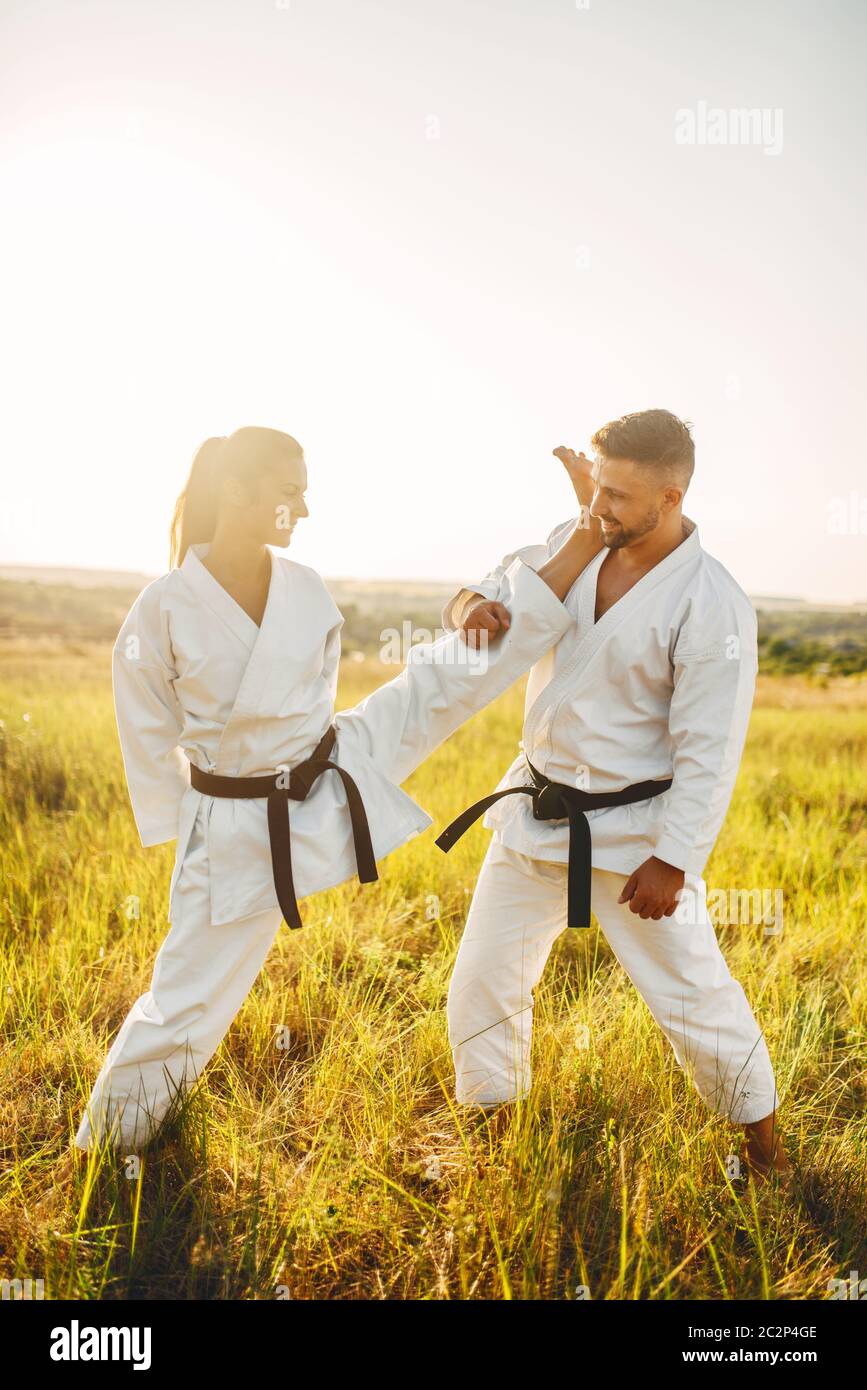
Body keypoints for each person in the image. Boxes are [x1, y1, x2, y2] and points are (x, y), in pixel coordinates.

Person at [73, 425, 598, 1152]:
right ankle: (103, 1149)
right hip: (239, 816)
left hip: (331, 759)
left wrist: (470, 609)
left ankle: (585, 531)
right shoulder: (162, 608)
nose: (304, 512)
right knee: (187, 1004)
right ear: (235, 492)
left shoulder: (303, 586)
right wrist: (186, 833)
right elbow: (147, 735)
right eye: (291, 494)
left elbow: (323, 699)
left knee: (447, 676)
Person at [440, 409, 790, 1185]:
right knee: (481, 986)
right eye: (594, 485)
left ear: (669, 498)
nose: (598, 506)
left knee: (692, 1000)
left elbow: (710, 749)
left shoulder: (710, 601)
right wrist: (472, 611)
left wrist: (676, 859)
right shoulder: (575, 546)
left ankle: (766, 1156)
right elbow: (478, 589)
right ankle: (495, 1153)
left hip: (634, 840)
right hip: (532, 813)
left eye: (618, 496)